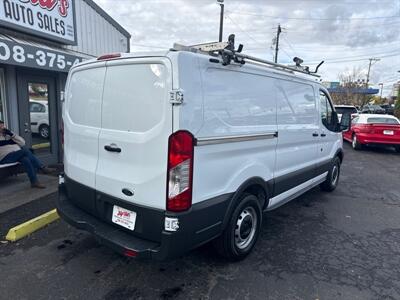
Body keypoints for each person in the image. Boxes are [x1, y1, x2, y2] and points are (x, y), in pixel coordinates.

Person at [0, 120, 54, 188]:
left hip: (16, 154)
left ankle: (34, 182)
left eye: (2, 126)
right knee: (25, 151)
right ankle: (42, 167)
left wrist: (11, 134)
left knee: (26, 160)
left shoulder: (10, 135)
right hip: (5, 157)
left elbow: (22, 143)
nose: (2, 128)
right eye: (0, 127)